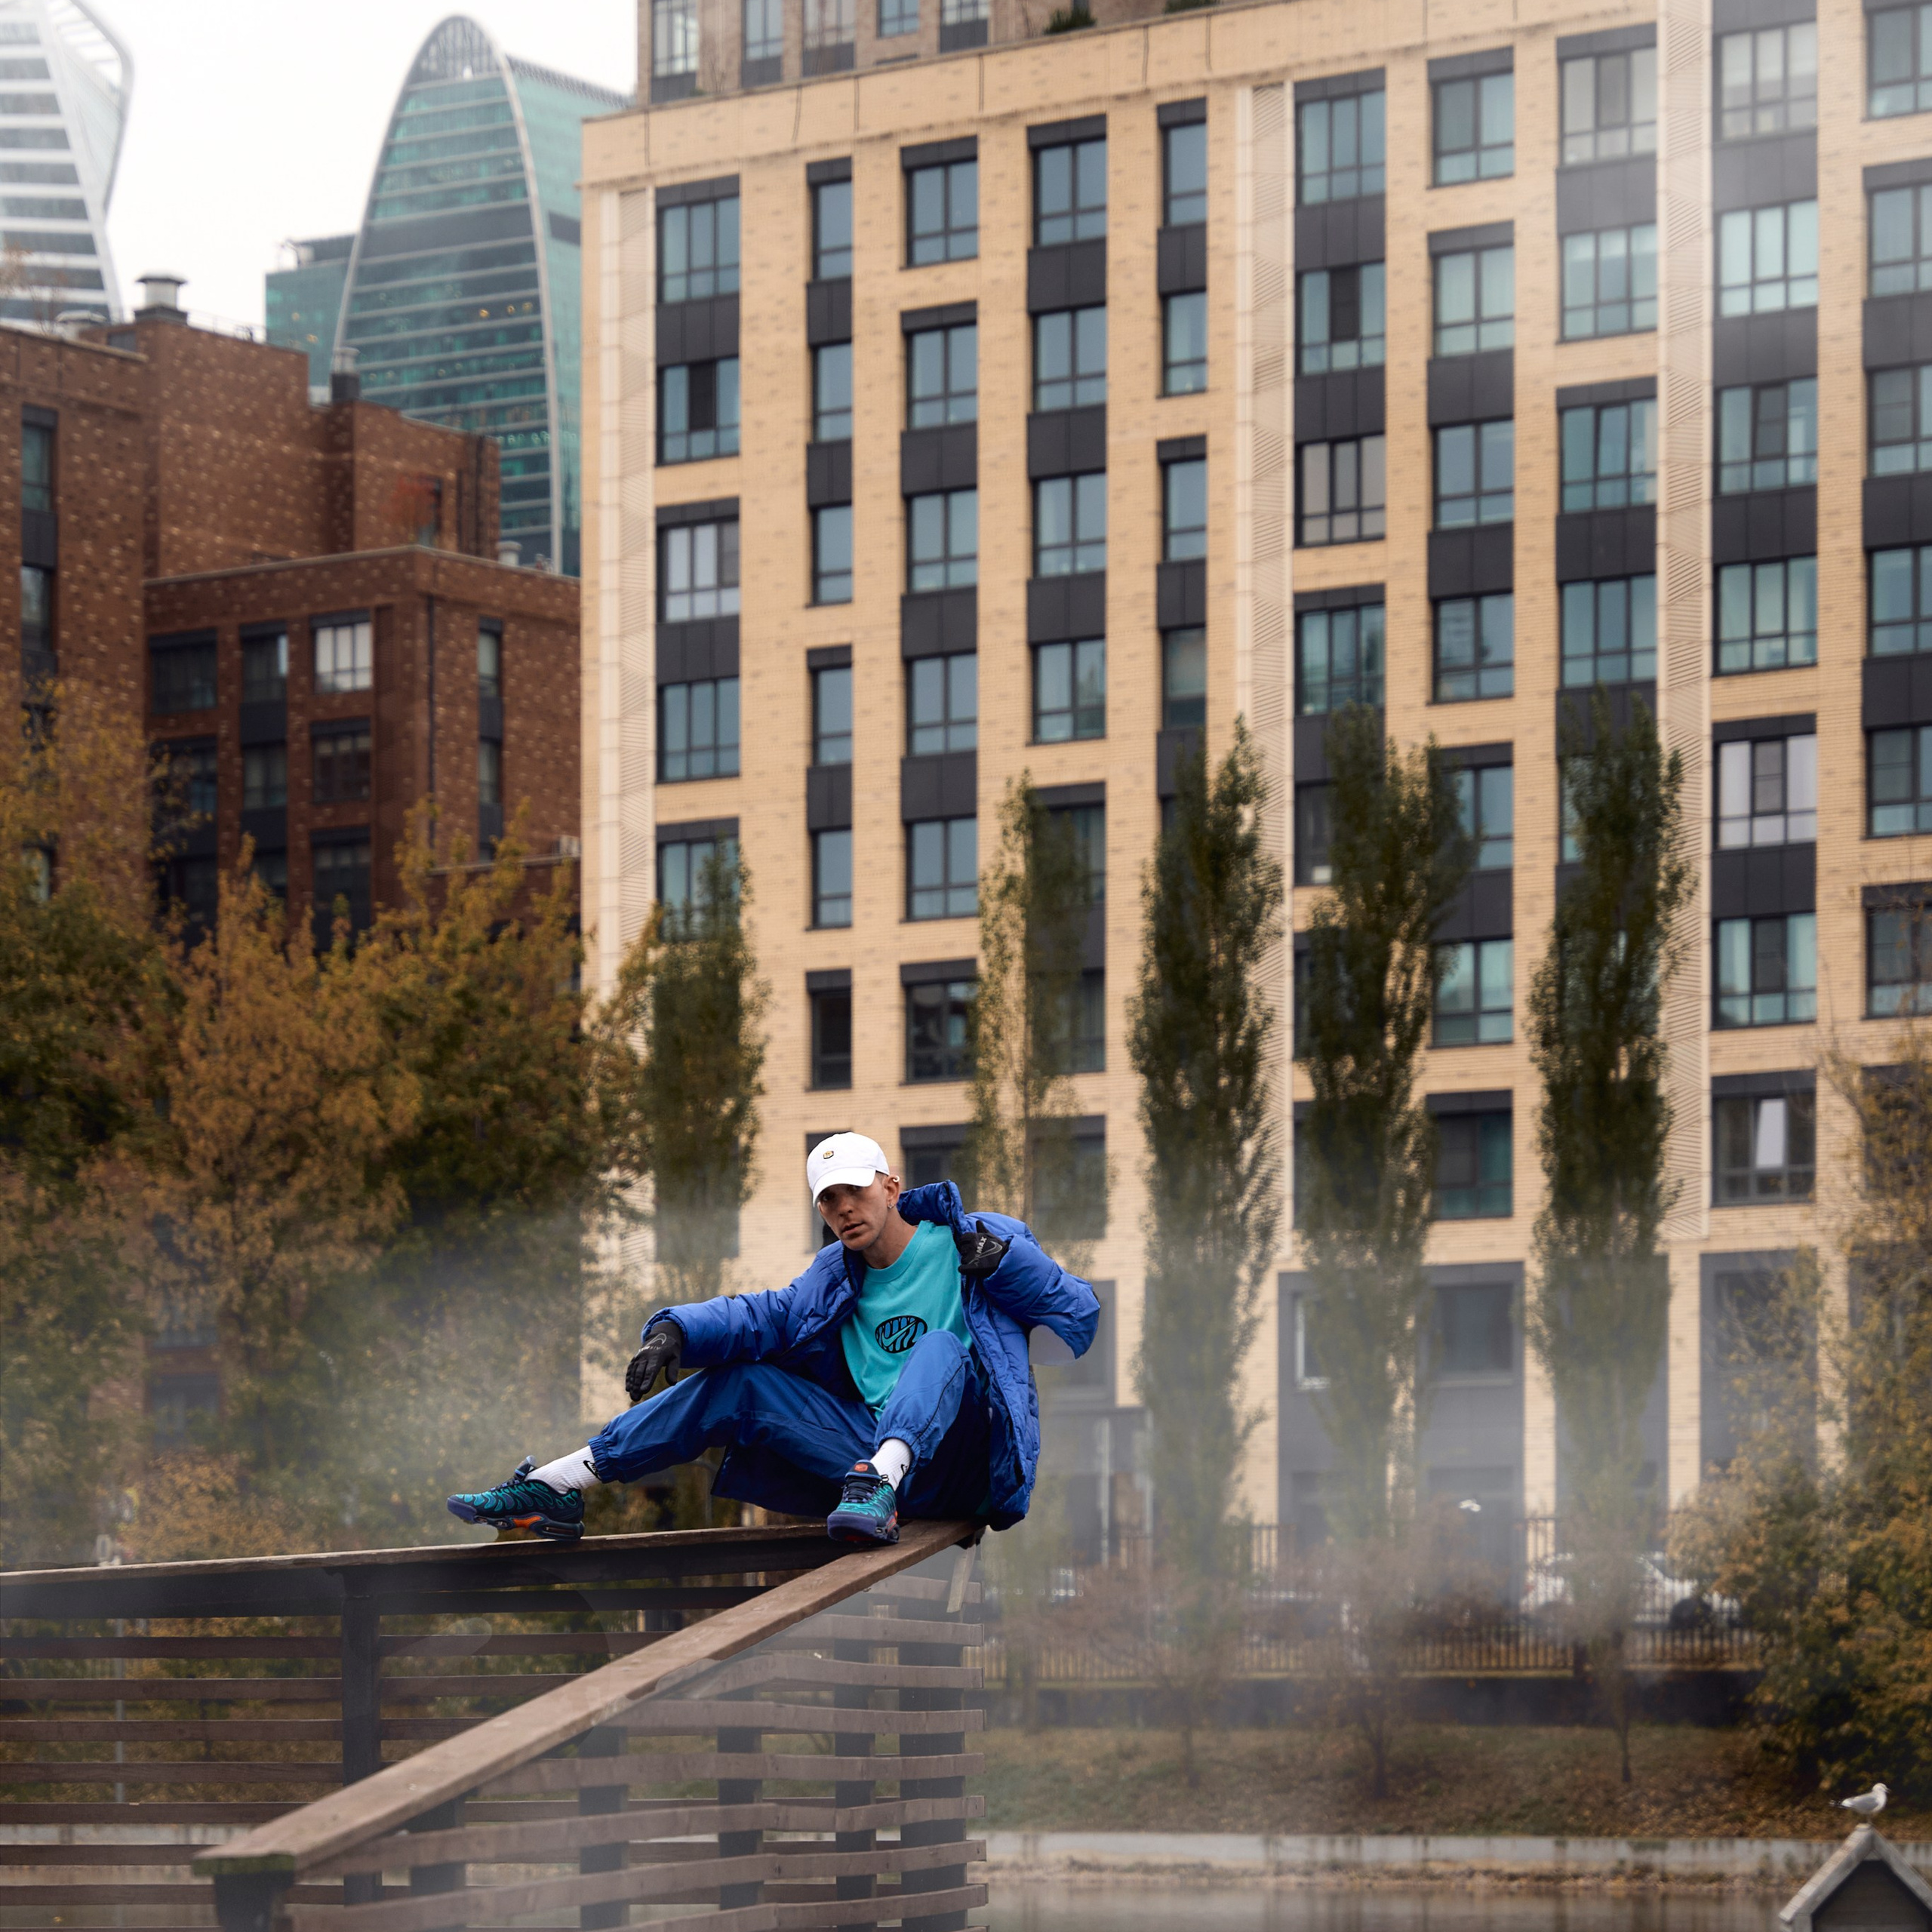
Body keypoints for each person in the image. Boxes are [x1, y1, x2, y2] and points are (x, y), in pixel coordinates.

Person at [447, 1132, 1100, 1546]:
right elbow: (757, 1315)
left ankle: (882, 1480)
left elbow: (1081, 1321)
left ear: (891, 1187)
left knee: (941, 1351)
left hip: (961, 1462)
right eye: (827, 1199)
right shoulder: (831, 1279)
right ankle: (559, 1487)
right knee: (739, 1380)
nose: (843, 1208)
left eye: (854, 1191)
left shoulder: (976, 1239)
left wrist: (1008, 1265)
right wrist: (674, 1331)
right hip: (861, 1463)